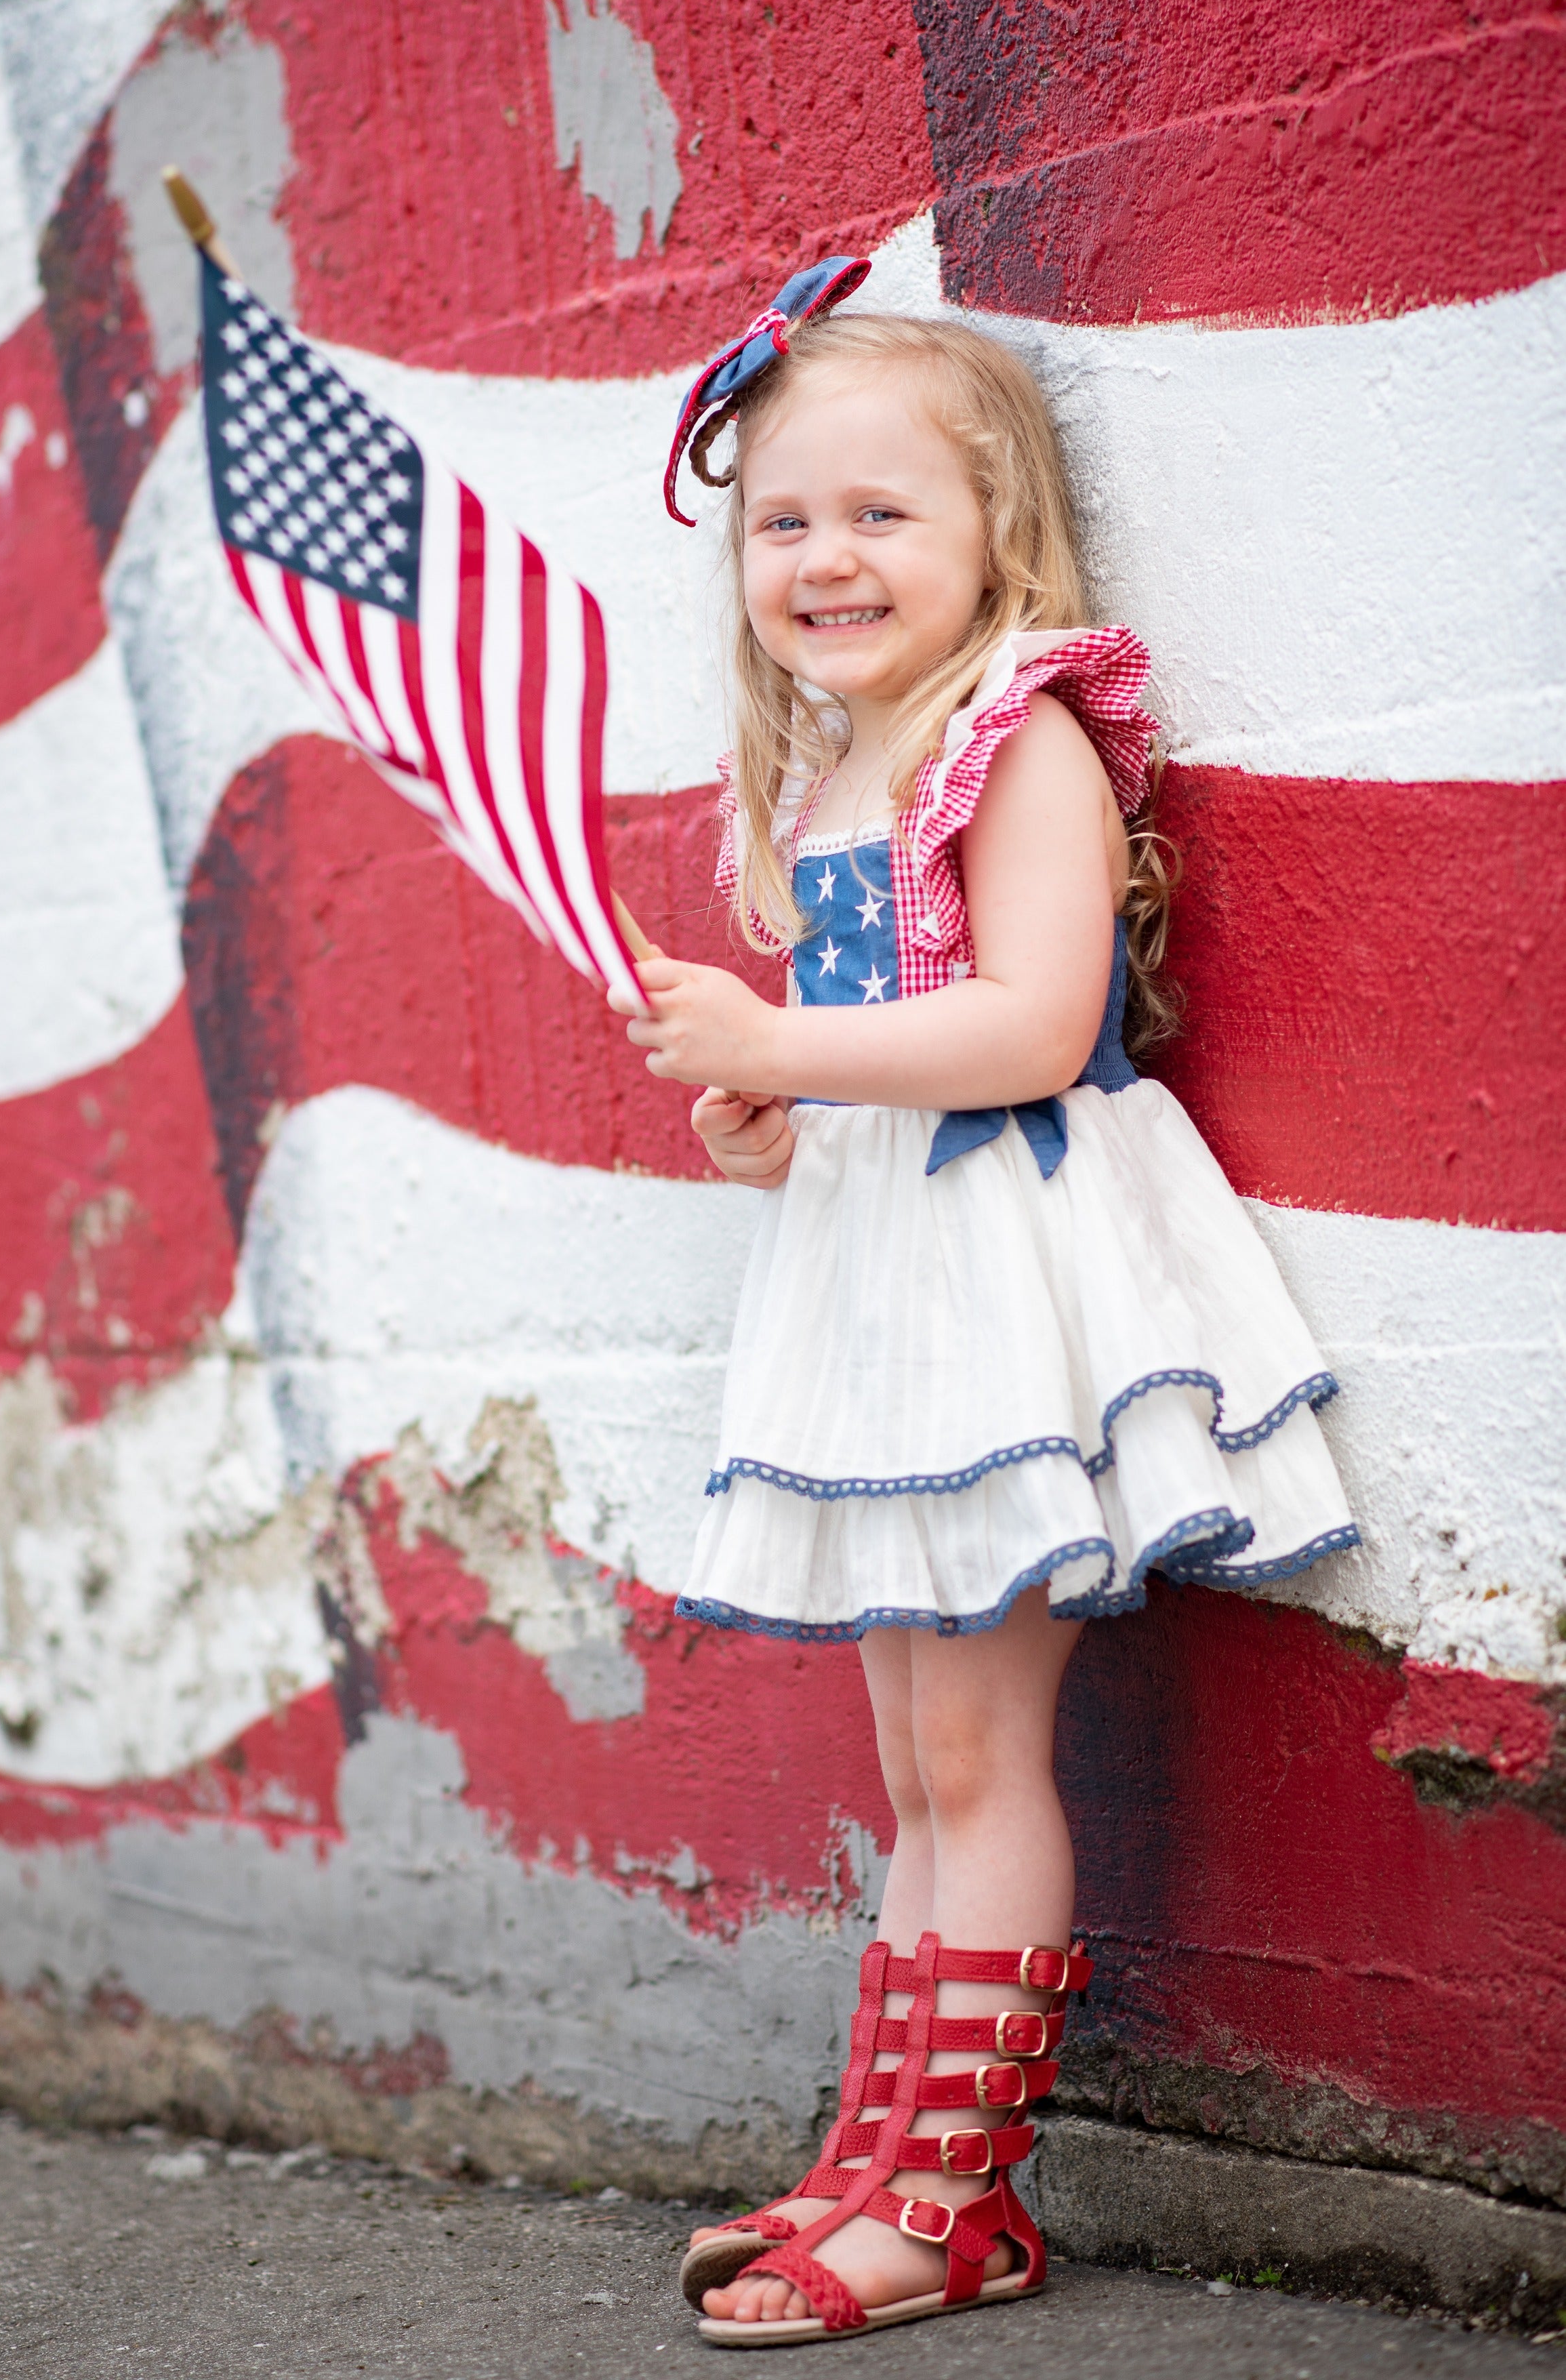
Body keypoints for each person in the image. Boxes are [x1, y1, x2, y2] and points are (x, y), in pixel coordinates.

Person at [618, 272, 1359, 2348]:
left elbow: (1034, 1025)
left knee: (977, 1749)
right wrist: (765, 1109)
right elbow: (868, 1047)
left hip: (1005, 1276)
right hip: (878, 1275)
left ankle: (954, 2201)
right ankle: (881, 2159)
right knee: (918, 1766)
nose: (826, 559)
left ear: (994, 539)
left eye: (881, 516)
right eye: (783, 520)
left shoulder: (1009, 740)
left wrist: (783, 1028)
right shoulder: (831, 774)